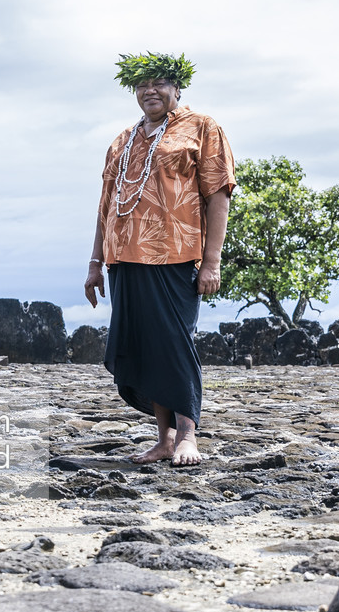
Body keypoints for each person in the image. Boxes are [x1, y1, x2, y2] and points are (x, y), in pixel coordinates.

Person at [84, 52, 235, 465]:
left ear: (177, 88)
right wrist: (95, 263)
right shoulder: (122, 140)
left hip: (176, 253)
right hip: (123, 259)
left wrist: (212, 262)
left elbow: (218, 196)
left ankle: (188, 435)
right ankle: (164, 439)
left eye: (160, 83)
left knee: (174, 343)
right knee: (145, 346)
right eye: (142, 84)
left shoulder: (202, 128)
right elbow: (105, 205)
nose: (150, 90)